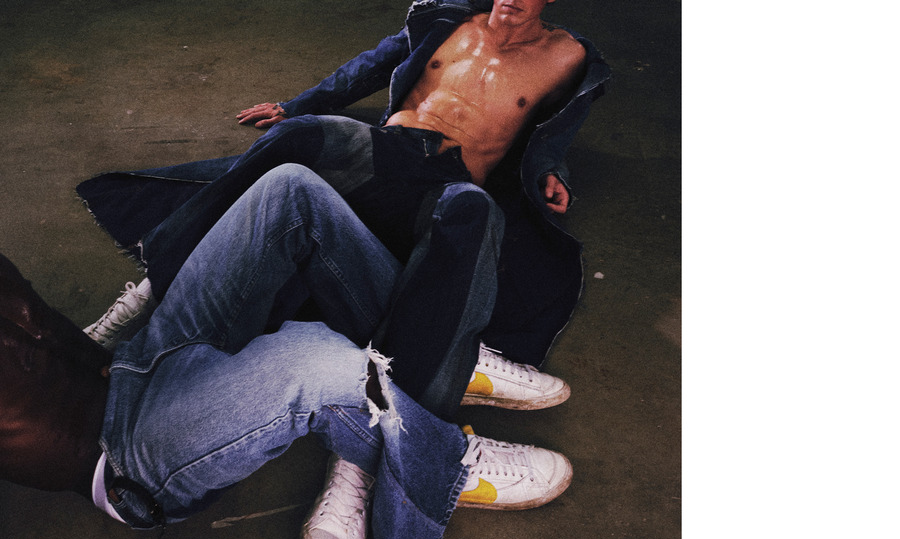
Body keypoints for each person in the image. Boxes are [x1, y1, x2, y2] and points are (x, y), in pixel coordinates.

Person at [1, 164, 573, 539]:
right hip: (124, 453)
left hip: (130, 362)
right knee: (313, 359)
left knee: (289, 192)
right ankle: (439, 466)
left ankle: (429, 365)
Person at [77, 0, 610, 421]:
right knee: (299, 136)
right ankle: (156, 285)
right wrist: (297, 106)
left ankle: (410, 401)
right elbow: (370, 67)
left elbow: (553, 132)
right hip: (388, 148)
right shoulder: (448, 19)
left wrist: (551, 173)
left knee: (474, 216)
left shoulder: (568, 59)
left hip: (451, 178)